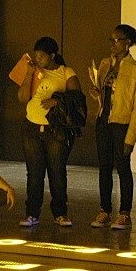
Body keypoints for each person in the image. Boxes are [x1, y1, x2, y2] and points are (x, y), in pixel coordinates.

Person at [17, 36, 81, 227]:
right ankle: (32, 214)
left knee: (57, 172)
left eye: (42, 56)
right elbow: (22, 97)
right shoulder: (34, 72)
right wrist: (29, 74)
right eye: (36, 55)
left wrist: (57, 101)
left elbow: (77, 96)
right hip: (32, 127)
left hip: (55, 129)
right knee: (34, 173)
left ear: (52, 56)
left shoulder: (65, 72)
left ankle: (60, 213)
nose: (38, 59)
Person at [89, 24, 136, 230]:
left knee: (123, 167)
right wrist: (97, 94)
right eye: (110, 40)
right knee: (104, 167)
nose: (112, 44)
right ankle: (104, 210)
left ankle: (124, 212)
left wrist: (131, 137)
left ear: (127, 42)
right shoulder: (105, 64)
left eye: (116, 40)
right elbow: (106, 95)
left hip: (122, 124)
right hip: (104, 120)